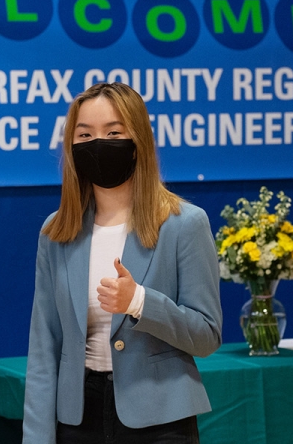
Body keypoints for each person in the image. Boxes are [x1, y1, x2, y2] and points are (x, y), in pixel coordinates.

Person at [22, 82, 222, 443]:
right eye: (84, 134)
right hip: (78, 420)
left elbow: (206, 336)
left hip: (162, 422)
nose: (98, 144)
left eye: (113, 132)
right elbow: (43, 348)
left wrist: (140, 302)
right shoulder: (56, 231)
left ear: (138, 140)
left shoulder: (185, 223)